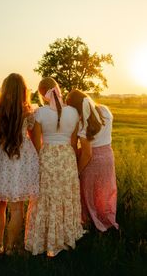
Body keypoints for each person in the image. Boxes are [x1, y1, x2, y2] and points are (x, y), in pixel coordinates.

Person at [0, 73, 39, 255]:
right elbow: (36, 140)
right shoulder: (29, 110)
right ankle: (10, 247)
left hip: (0, 156)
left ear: (4, 89)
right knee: (17, 206)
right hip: (21, 158)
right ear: (23, 90)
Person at [25, 77, 85, 257]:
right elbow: (74, 143)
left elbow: (36, 145)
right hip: (67, 158)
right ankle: (65, 238)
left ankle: (45, 241)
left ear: (43, 95)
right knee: (65, 196)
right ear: (58, 89)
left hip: (47, 158)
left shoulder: (40, 113)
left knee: (45, 197)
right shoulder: (74, 112)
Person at [66, 89, 119, 232]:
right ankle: (107, 220)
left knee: (88, 193)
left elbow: (87, 154)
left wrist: (77, 171)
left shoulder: (84, 123)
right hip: (108, 156)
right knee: (105, 191)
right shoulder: (105, 110)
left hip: (92, 160)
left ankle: (91, 224)